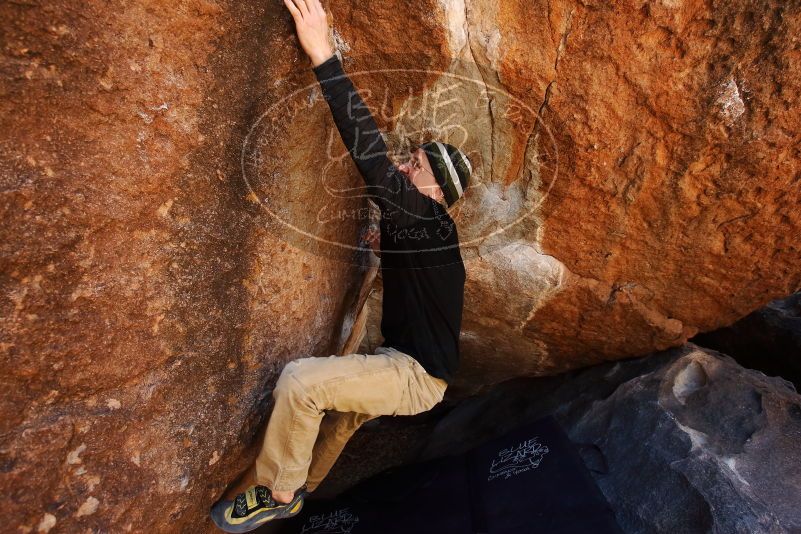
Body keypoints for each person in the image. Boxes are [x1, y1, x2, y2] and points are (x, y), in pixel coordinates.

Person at [211, 0, 472, 531]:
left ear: (436, 190)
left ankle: (280, 493)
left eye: (415, 165)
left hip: (414, 377)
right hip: (405, 360)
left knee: (303, 384)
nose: (404, 165)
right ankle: (302, 492)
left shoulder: (425, 219)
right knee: (338, 424)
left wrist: (323, 55)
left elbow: (370, 156)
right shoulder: (430, 230)